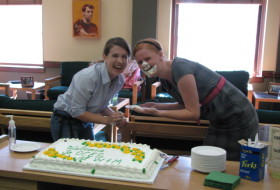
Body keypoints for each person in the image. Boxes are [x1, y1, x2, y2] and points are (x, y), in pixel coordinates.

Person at [132, 38, 259, 161]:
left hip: (237, 116)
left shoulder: (180, 68)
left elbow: (193, 113)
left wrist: (158, 113)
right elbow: (184, 105)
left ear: (160, 55)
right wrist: (156, 105)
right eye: (139, 62)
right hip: (218, 118)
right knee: (209, 160)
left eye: (148, 59)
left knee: (232, 164)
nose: (144, 65)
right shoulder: (164, 79)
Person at [51, 37, 130, 141]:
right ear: (105, 56)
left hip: (86, 118)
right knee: (68, 156)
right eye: (115, 55)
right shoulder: (88, 77)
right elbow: (76, 112)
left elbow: (102, 105)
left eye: (124, 57)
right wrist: (107, 120)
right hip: (65, 118)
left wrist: (115, 118)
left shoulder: (119, 80)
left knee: (89, 152)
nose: (120, 61)